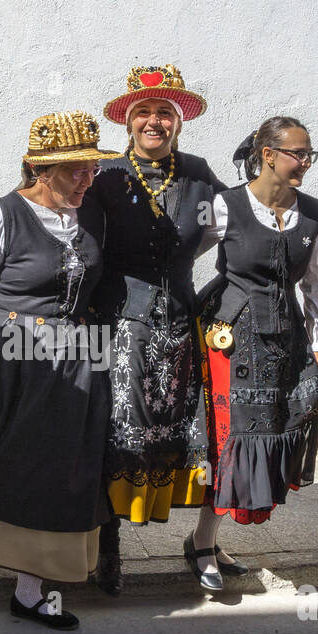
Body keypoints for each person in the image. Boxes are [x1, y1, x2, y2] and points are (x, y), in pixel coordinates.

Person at [0, 111, 119, 630]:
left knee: (57, 475)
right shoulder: (2, 215)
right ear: (39, 168)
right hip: (8, 353)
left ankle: (30, 591)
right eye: (74, 169)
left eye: (91, 168)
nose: (86, 178)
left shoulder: (92, 214)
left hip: (77, 354)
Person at [75, 65, 224, 597]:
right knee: (114, 434)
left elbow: (236, 222)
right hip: (118, 323)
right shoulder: (107, 175)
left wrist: (300, 217)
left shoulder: (200, 174)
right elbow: (67, 224)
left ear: (178, 121)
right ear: (129, 122)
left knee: (189, 434)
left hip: (182, 324)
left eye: (164, 112)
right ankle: (108, 550)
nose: (154, 121)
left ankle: (201, 542)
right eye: (144, 112)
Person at [186, 117, 318, 592]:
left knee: (279, 423)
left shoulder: (312, 214)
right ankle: (203, 542)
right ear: (268, 154)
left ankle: (207, 536)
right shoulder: (225, 206)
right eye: (297, 153)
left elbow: (316, 283)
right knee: (229, 438)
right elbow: (182, 255)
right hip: (229, 335)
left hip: (284, 335)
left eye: (309, 154)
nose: (305, 163)